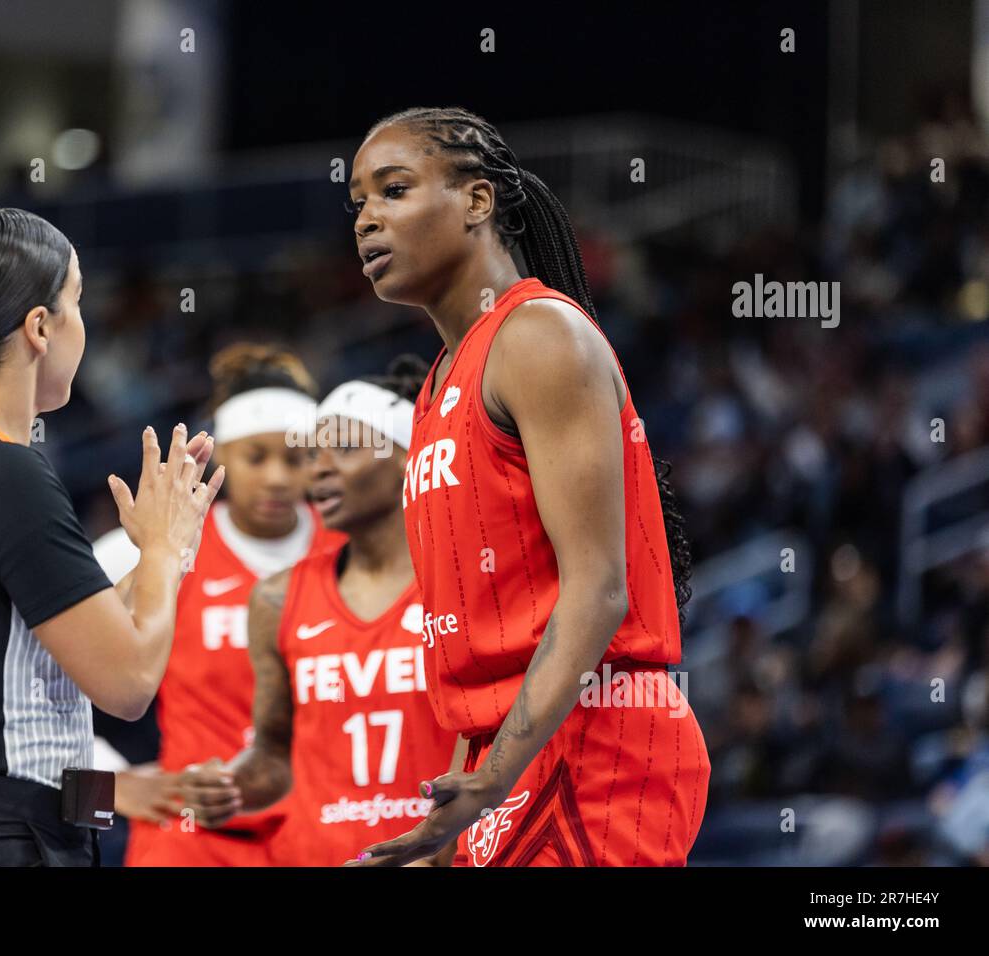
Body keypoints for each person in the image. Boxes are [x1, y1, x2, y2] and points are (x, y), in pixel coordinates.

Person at [345, 108, 710, 867]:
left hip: (596, 741)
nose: (367, 219)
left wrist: (490, 780)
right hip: (512, 752)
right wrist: (455, 820)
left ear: (478, 202)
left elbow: (600, 589)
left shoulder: (539, 335)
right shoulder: (443, 381)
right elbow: (482, 648)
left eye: (394, 190)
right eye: (359, 203)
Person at [0, 208, 222, 866]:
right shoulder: (3, 471)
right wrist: (163, 549)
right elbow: (128, 680)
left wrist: (165, 557)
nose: (85, 326)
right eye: (78, 301)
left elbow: (56, 648)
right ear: (39, 327)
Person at [180, 363, 459, 865]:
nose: (317, 470)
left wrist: (443, 850)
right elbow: (272, 754)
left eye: (345, 450)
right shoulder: (276, 598)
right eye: (314, 454)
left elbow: (497, 755)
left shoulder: (462, 587)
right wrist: (227, 784)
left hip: (432, 857)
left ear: (408, 458)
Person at [95, 344, 344, 866]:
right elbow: (18, 677)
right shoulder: (160, 547)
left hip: (329, 833)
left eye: (295, 458)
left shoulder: (354, 548)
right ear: (224, 452)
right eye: (257, 457)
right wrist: (107, 787)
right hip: (192, 841)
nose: (277, 476)